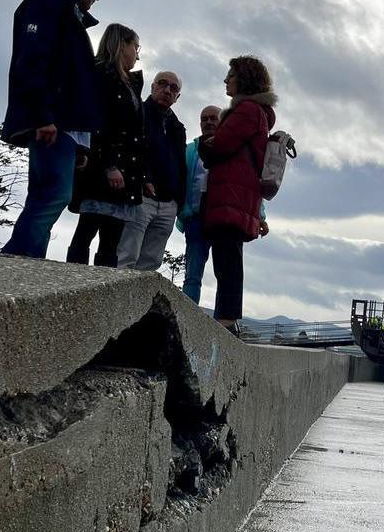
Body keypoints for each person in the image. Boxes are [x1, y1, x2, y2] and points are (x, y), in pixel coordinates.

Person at [0, 0, 103, 258]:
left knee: (49, 198)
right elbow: (31, 61)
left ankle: (24, 266)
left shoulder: (69, 16)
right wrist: (42, 115)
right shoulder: (44, 3)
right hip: (52, 123)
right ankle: (17, 265)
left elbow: (74, 81)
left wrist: (81, 143)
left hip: (66, 128)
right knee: (50, 197)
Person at [199, 56, 276, 333]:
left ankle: (227, 320)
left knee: (227, 258)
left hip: (231, 194)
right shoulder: (258, 112)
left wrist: (206, 146)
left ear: (243, 78)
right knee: (228, 256)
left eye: (230, 75)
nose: (225, 80)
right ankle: (227, 319)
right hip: (239, 195)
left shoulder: (246, 110)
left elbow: (220, 145)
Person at [65, 24, 145, 267]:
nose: (137, 54)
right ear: (122, 45)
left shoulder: (129, 84)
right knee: (87, 231)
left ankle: (100, 296)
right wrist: (109, 165)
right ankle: (72, 289)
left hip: (125, 172)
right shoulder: (101, 76)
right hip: (102, 170)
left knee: (111, 240)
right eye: (135, 47)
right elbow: (99, 123)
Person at [177, 105, 268, 303]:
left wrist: (261, 215)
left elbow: (246, 183)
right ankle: (187, 319)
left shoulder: (235, 149)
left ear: (223, 122)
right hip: (196, 218)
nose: (208, 122)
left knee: (225, 273)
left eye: (213, 118)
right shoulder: (191, 150)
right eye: (204, 119)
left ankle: (222, 320)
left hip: (223, 219)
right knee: (192, 275)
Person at [116, 71, 187, 270]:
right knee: (126, 256)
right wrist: (142, 177)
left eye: (173, 88)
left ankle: (139, 301)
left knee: (151, 263)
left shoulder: (178, 128)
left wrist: (178, 201)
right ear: (153, 86)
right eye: (163, 84)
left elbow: (181, 164)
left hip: (168, 204)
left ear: (178, 96)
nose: (167, 90)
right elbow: (129, 147)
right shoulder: (138, 112)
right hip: (141, 196)